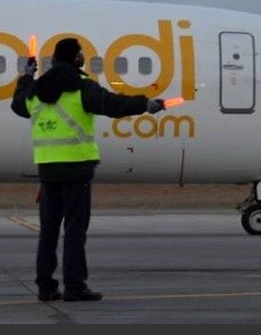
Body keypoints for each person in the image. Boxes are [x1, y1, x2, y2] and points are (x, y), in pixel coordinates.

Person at [11, 37, 166, 302]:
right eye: (80, 54)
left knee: (48, 231)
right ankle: (74, 286)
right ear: (75, 58)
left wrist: (26, 77)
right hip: (77, 169)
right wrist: (146, 105)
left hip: (48, 169)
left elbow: (18, 105)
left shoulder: (36, 91)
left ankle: (46, 286)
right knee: (74, 230)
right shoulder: (81, 87)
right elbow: (113, 105)